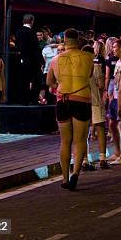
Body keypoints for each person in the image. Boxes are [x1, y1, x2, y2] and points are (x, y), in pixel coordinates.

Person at [47, 28, 93, 190]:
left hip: (63, 99)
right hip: (82, 99)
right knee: (80, 140)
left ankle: (65, 178)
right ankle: (76, 174)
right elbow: (89, 75)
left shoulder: (55, 59)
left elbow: (49, 82)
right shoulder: (88, 57)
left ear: (64, 40)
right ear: (78, 40)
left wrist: (58, 88)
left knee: (65, 141)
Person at [15, 14, 44, 105]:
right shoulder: (31, 32)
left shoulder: (18, 32)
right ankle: (34, 99)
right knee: (37, 80)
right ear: (32, 21)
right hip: (33, 61)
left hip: (22, 60)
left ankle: (24, 100)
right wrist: (41, 61)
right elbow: (36, 48)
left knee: (23, 81)